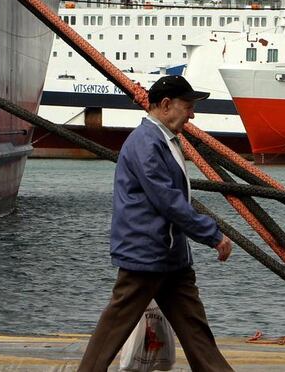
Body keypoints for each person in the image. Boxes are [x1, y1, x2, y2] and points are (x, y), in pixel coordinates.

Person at [79, 75, 234, 372]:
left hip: (170, 256)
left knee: (195, 328)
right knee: (115, 325)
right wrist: (212, 234)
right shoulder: (147, 143)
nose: (192, 114)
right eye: (187, 106)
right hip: (146, 254)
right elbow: (168, 200)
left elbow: (172, 200)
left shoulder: (163, 139)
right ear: (165, 105)